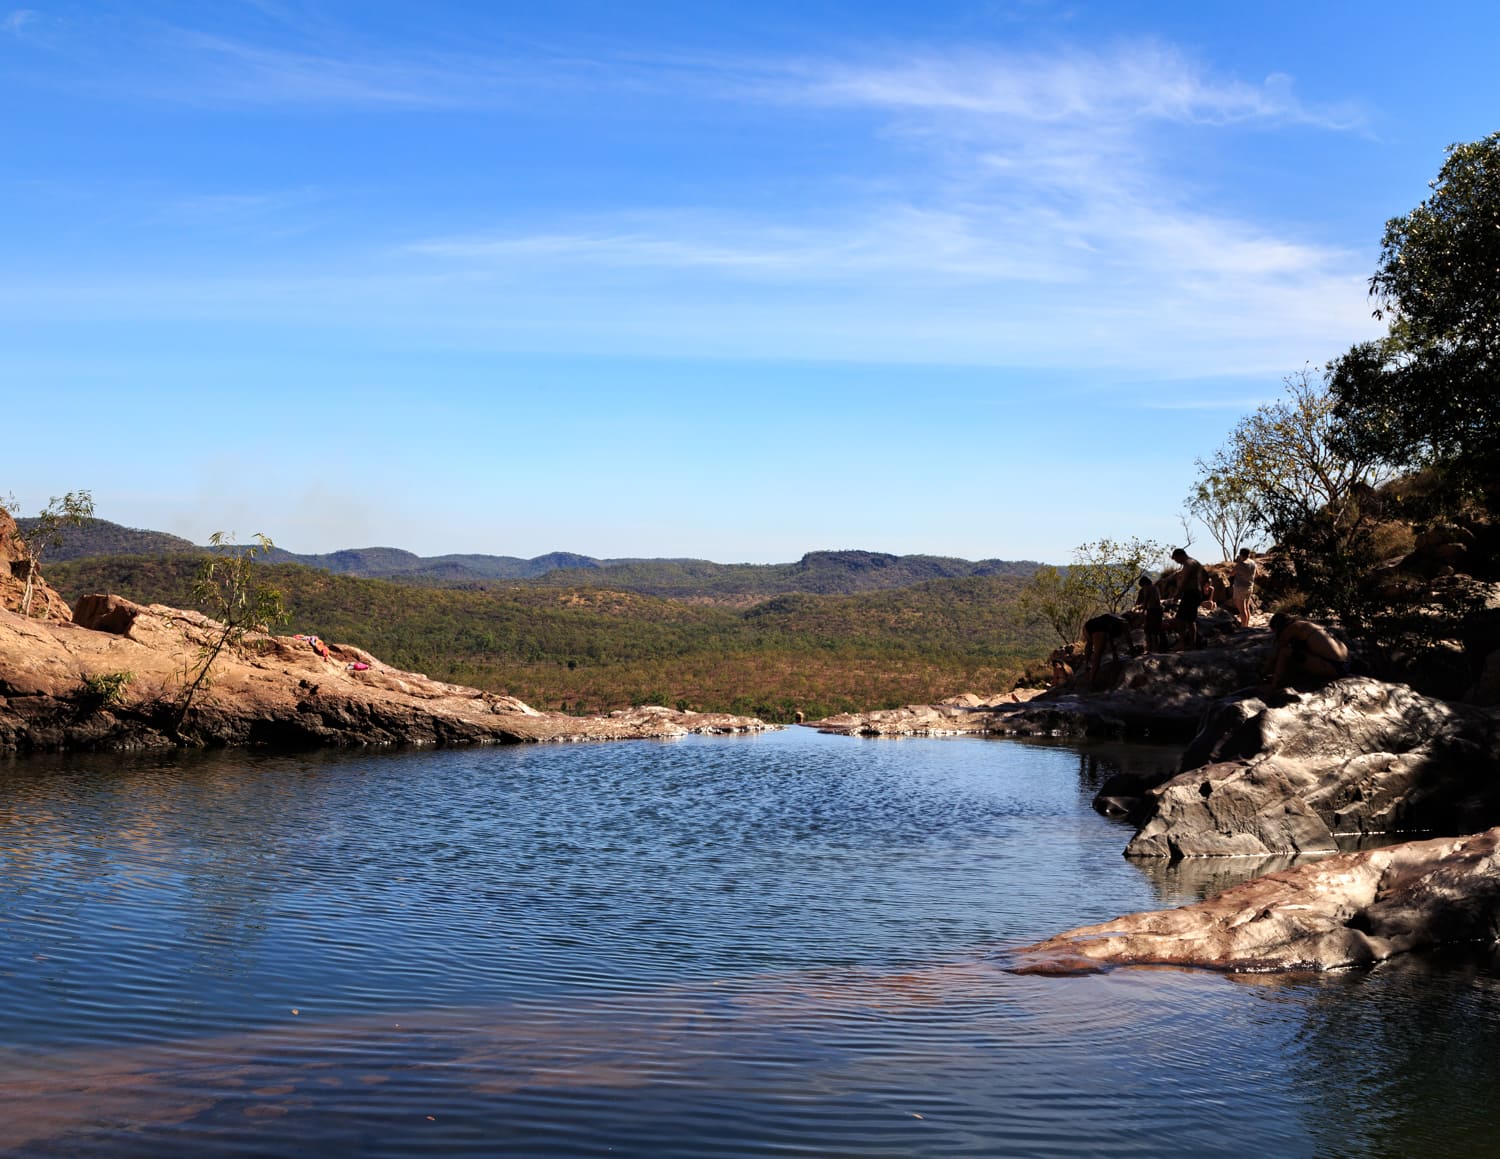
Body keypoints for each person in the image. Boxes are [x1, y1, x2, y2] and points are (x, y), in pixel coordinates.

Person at [1263, 613, 1351, 690]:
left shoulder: (1289, 630)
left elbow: (1275, 654)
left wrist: (1262, 673)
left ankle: (1274, 685)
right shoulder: (1304, 625)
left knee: (1284, 652)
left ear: (1278, 627)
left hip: (1335, 666)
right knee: (1297, 653)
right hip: (1347, 663)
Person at [1170, 548, 1208, 650]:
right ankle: (1192, 644)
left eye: (1176, 559)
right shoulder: (1196, 562)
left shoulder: (1188, 563)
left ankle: (1182, 643)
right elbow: (1205, 575)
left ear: (1180, 556)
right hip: (1196, 593)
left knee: (1180, 619)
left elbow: (1185, 580)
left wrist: (1177, 594)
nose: (1177, 562)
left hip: (1191, 593)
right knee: (1190, 620)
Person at [1082, 612, 1131, 688]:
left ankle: (1086, 664)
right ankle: (1091, 682)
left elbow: (1110, 636)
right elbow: (1129, 639)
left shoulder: (1114, 619)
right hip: (1100, 628)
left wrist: (1115, 654)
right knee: (1098, 654)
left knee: (1089, 642)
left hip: (1088, 625)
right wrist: (1132, 649)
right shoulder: (1125, 622)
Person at [1134, 575, 1165, 653]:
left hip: (1152, 610)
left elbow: (1146, 600)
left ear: (1144, 583)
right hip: (1159, 610)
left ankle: (1149, 649)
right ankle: (1155, 649)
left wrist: (1143, 611)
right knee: (1156, 631)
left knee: (1149, 631)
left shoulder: (1147, 588)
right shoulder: (1155, 587)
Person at [1229, 548, 1258, 628]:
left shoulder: (1240, 564)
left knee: (1242, 609)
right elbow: (1257, 574)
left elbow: (1231, 574)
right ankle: (1246, 625)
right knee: (1247, 607)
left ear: (1241, 554)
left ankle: (1243, 627)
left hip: (1240, 588)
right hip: (1249, 586)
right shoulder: (1253, 563)